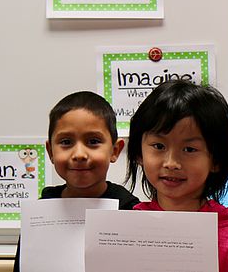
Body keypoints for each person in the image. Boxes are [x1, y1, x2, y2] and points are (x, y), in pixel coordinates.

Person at [125, 80, 228, 272]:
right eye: (159, 146)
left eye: (189, 149)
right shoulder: (127, 230)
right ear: (139, 154)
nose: (171, 163)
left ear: (216, 160)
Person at [13, 91, 139, 272]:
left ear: (115, 150)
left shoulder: (131, 212)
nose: (79, 154)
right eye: (66, 142)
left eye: (93, 141)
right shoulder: (38, 218)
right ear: (50, 152)